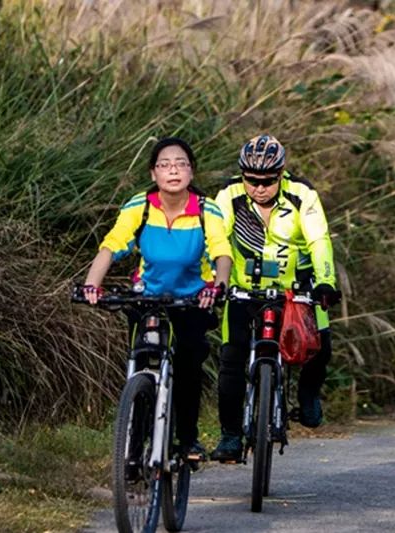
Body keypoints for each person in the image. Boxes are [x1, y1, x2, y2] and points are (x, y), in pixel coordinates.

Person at [82, 137, 232, 460]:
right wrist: (92, 284)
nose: (173, 170)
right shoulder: (141, 206)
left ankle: (188, 439)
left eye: (180, 164)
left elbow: (221, 252)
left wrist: (217, 287)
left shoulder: (207, 210)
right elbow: (113, 244)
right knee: (139, 361)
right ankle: (133, 451)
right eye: (164, 165)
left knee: (189, 363)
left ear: (191, 172)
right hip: (147, 297)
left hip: (192, 300)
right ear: (153, 174)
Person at [210, 134, 340, 462]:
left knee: (321, 348)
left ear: (281, 174)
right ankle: (229, 435)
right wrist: (214, 281)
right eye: (251, 180)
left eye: (268, 181)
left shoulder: (302, 194)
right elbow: (216, 237)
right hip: (243, 289)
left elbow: (319, 240)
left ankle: (307, 396)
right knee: (231, 360)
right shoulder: (229, 194)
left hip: (297, 289)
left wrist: (325, 282)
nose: (259, 187)